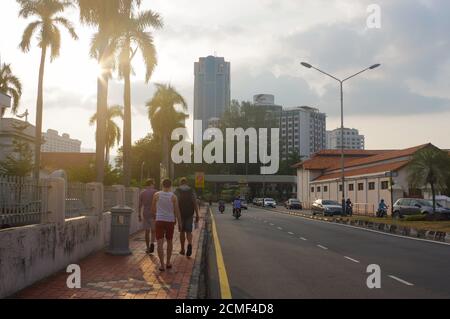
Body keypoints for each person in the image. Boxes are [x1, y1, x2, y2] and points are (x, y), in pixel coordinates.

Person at [151, 179, 182, 272]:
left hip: (159, 220)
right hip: (170, 220)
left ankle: (161, 265)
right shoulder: (173, 196)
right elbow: (177, 211)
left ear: (162, 185)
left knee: (159, 242)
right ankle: (168, 262)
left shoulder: (156, 195)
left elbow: (152, 209)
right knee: (169, 241)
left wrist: (159, 214)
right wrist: (180, 223)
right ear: (171, 185)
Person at [175, 177, 200, 258]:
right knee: (189, 231)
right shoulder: (191, 190)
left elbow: (174, 203)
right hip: (190, 213)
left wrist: (174, 215)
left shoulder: (177, 190)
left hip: (180, 214)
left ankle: (182, 249)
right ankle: (189, 244)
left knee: (182, 231)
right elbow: (195, 203)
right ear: (186, 183)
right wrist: (197, 214)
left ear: (180, 183)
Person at [139, 179, 158, 254]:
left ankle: (147, 248)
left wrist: (139, 215)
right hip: (153, 213)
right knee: (153, 230)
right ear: (151, 184)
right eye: (153, 184)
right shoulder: (155, 192)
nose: (154, 185)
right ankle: (152, 243)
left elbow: (140, 205)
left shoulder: (142, 193)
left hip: (145, 213)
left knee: (147, 232)